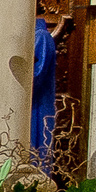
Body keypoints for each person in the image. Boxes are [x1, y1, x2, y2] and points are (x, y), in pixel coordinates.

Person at [31, 14, 60, 157]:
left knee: (35, 151)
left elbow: (35, 75)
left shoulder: (40, 36)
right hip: (31, 103)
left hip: (37, 103)